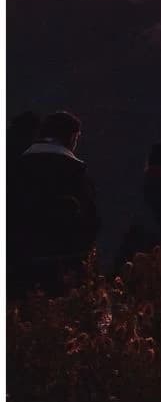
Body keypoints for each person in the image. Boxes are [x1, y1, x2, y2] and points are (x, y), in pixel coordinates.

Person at [9, 111, 100, 296]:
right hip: (64, 267)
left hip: (19, 264)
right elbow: (91, 222)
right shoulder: (76, 175)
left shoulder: (15, 170)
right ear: (73, 137)